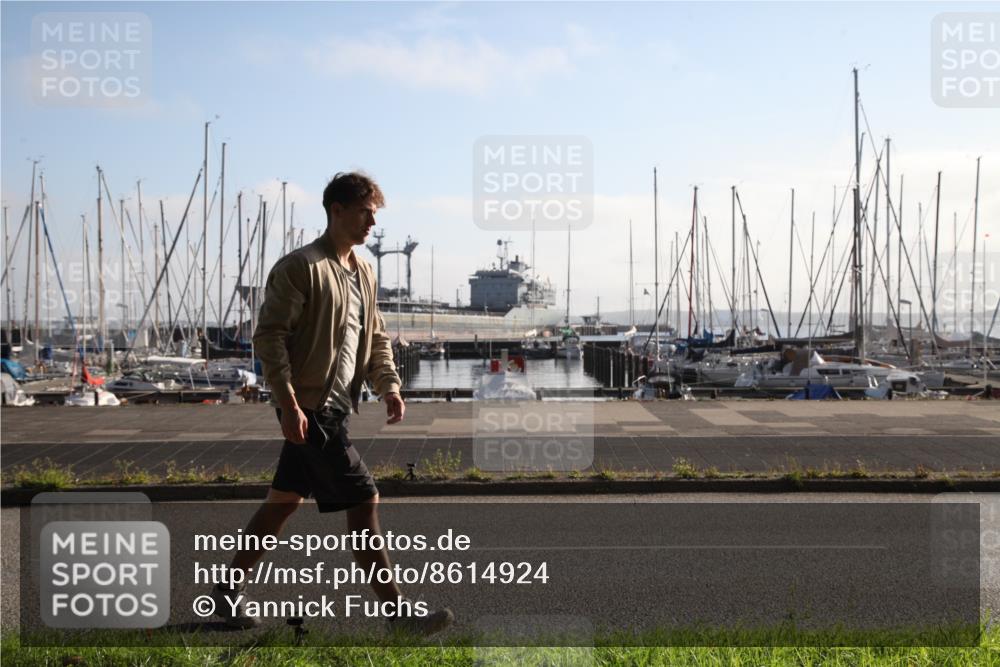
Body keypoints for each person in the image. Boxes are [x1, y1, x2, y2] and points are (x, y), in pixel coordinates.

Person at [210, 171, 453, 635]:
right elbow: (270, 337)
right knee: (364, 498)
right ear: (336, 210)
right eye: (364, 213)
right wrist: (288, 403)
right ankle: (398, 615)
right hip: (309, 409)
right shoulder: (301, 267)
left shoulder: (364, 271)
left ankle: (226, 590)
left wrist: (389, 385)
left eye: (374, 214)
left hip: (335, 407)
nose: (371, 223)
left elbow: (375, 336)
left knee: (283, 502)